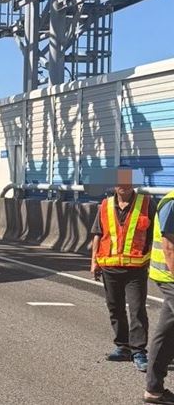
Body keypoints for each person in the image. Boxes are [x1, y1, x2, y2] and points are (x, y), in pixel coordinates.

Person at [91, 173, 156, 372]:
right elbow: (98, 234)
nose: (124, 186)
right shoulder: (105, 205)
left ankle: (138, 351)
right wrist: (94, 262)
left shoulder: (147, 204)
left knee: (137, 309)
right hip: (109, 267)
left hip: (136, 268)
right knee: (115, 308)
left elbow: (158, 234)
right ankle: (123, 346)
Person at [144, 189, 174, 404]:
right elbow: (169, 246)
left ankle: (154, 390)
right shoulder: (172, 202)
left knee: (166, 331)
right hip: (169, 275)